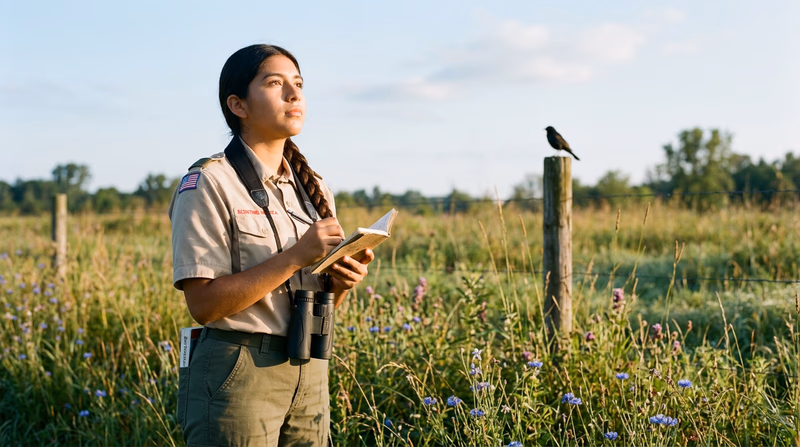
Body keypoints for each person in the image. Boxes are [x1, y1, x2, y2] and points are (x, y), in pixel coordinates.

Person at [168, 44, 374, 447]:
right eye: (275, 83)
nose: (294, 95)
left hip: (309, 365)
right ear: (238, 105)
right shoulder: (209, 182)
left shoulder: (313, 188)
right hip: (238, 371)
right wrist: (297, 255)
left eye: (298, 84)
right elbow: (204, 306)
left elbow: (314, 302)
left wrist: (341, 283)